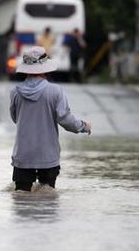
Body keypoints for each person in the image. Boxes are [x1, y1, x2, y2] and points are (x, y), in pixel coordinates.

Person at [9, 46, 92, 192]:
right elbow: (65, 119)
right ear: (45, 68)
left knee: (21, 202)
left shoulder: (15, 92)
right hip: (47, 156)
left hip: (22, 156)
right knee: (47, 200)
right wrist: (83, 126)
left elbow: (16, 118)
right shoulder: (55, 91)